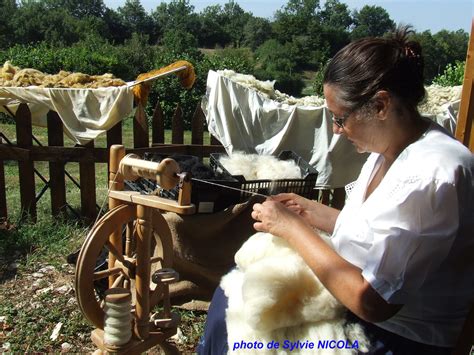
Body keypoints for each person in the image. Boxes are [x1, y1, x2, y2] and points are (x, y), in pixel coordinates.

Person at [197, 26, 474, 354]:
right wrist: (310, 211)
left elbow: (374, 302)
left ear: (381, 105)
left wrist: (294, 228)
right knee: (232, 293)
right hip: (360, 316)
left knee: (239, 333)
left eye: (340, 118)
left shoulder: (431, 173)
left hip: (395, 338)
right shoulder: (392, 148)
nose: (336, 129)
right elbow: (374, 232)